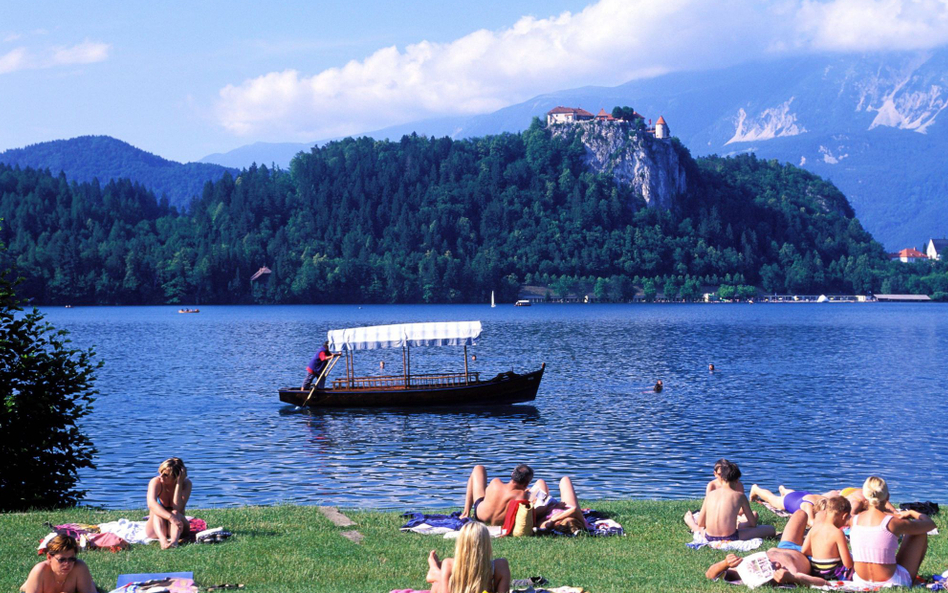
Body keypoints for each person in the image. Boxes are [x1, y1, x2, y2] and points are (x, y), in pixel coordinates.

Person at [849, 475, 934, 587]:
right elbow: (930, 525)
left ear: (865, 496)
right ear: (887, 497)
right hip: (891, 581)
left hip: (861, 580)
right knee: (919, 532)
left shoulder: (854, 520)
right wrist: (912, 513)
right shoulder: (892, 523)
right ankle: (911, 580)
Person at [693, 460, 775, 540]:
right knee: (771, 529)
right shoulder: (740, 496)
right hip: (730, 537)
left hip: (709, 536)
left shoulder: (710, 495)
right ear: (737, 480)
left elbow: (701, 523)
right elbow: (753, 523)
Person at [426, 522, 511, 593]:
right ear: (487, 544)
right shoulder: (500, 566)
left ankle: (434, 571)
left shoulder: (449, 564)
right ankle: (434, 572)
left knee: (437, 584)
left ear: (461, 544)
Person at [20, 534, 97, 593]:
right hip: (35, 580)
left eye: (71, 559)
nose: (67, 563)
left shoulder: (79, 568)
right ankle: (28, 583)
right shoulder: (40, 571)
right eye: (61, 560)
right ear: (49, 557)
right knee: (29, 585)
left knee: (90, 584)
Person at [460, 464, 533, 525]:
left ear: (512, 474)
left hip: (480, 515)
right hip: (498, 522)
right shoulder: (521, 495)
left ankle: (466, 513)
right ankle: (466, 513)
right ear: (526, 483)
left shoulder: (495, 482)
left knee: (478, 468)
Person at [802, 496, 854, 580]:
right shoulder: (838, 533)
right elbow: (848, 564)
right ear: (844, 516)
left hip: (816, 572)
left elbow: (804, 551)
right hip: (833, 574)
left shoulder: (814, 528)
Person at [145, 457, 193, 549]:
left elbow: (177, 508)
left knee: (175, 513)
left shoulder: (186, 484)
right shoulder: (156, 482)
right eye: (161, 472)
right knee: (157, 512)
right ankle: (163, 541)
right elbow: (151, 503)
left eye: (166, 475)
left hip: (178, 527)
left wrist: (179, 483)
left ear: (176, 477)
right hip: (156, 528)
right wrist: (170, 517)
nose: (161, 476)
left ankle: (174, 542)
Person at [749, 484, 824, 526]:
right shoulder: (808, 506)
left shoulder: (826, 500)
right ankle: (755, 489)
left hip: (802, 495)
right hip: (789, 500)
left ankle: (784, 490)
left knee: (792, 494)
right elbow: (811, 522)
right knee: (771, 498)